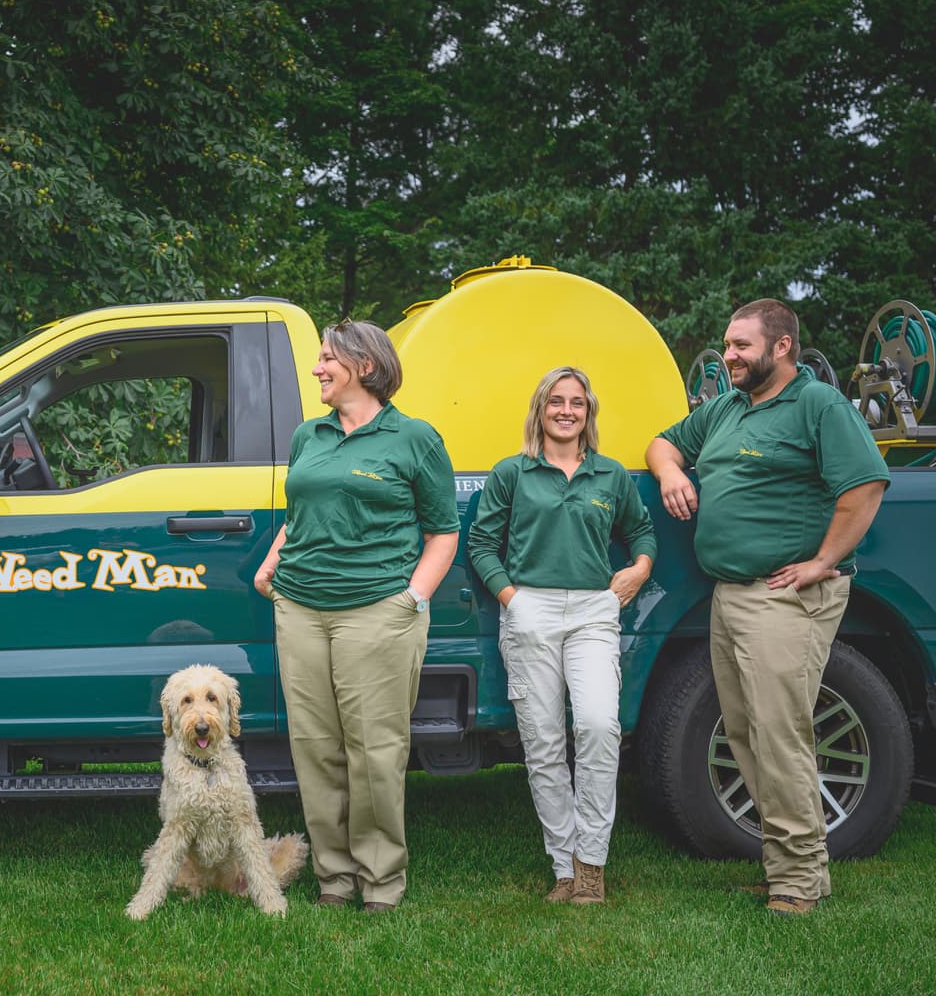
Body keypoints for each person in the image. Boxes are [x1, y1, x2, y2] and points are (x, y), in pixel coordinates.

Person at [646, 299, 888, 917]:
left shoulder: (818, 405)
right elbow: (660, 443)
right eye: (727, 345)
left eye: (741, 346)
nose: (728, 356)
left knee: (781, 736)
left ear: (781, 348)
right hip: (731, 597)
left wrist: (820, 560)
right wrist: (673, 473)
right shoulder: (726, 409)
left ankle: (801, 881)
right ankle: (786, 867)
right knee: (748, 735)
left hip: (785, 598)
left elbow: (864, 487)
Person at [253, 319, 458, 913]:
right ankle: (334, 880)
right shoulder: (307, 437)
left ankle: (382, 882)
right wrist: (272, 567)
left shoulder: (414, 438)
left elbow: (443, 532)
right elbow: (302, 514)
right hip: (301, 609)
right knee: (315, 748)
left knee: (375, 751)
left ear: (364, 366)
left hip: (378, 611)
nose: (316, 369)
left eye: (326, 359)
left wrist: (410, 600)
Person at [467, 367, 655, 906]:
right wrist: (512, 599)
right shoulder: (513, 472)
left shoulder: (611, 476)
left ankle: (592, 862)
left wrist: (639, 567)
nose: (566, 410)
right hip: (529, 609)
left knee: (598, 726)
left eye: (577, 402)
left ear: (588, 411)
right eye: (556, 401)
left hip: (594, 611)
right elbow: (481, 544)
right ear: (541, 409)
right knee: (544, 743)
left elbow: (639, 530)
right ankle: (564, 867)